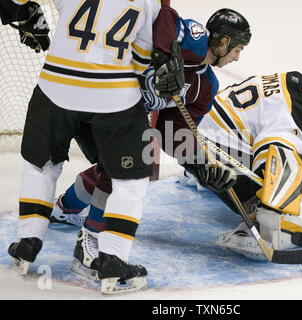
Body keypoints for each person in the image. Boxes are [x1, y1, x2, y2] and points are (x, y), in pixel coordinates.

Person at [48, 7, 252, 280]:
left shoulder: (206, 85)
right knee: (124, 164)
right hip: (94, 94)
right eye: (237, 49)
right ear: (224, 42)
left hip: (118, 114)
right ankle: (91, 240)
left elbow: (172, 131)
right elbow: (166, 16)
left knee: (125, 162)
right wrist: (165, 55)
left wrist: (199, 165)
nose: (237, 57)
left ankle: (65, 208)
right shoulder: (195, 39)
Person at [1, 0, 163, 294]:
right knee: (130, 181)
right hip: (114, 98)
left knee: (42, 165)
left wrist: (20, 10)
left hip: (55, 87)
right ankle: (113, 261)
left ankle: (26, 245)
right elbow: (141, 58)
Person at [195, 71, 302, 259]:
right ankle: (250, 231)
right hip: (214, 150)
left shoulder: (293, 80)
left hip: (196, 127)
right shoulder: (299, 120)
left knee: (287, 155)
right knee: (268, 195)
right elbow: (274, 156)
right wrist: (278, 207)